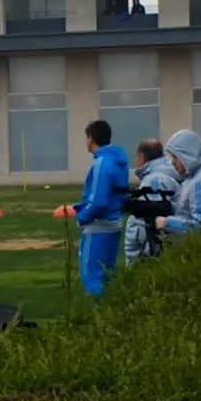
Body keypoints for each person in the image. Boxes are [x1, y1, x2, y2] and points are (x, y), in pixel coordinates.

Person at [73, 120, 129, 298]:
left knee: (92, 277)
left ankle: (101, 320)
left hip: (98, 226)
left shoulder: (102, 164)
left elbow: (98, 201)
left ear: (91, 138)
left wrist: (82, 217)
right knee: (108, 275)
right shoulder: (119, 161)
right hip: (114, 222)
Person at [124, 140, 181, 265]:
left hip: (148, 247)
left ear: (142, 158)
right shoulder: (165, 175)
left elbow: (151, 216)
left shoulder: (154, 180)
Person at [155, 129, 201, 235]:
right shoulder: (193, 177)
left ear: (188, 156)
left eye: (176, 157)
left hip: (198, 249)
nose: (172, 162)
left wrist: (167, 223)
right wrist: (168, 206)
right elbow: (187, 209)